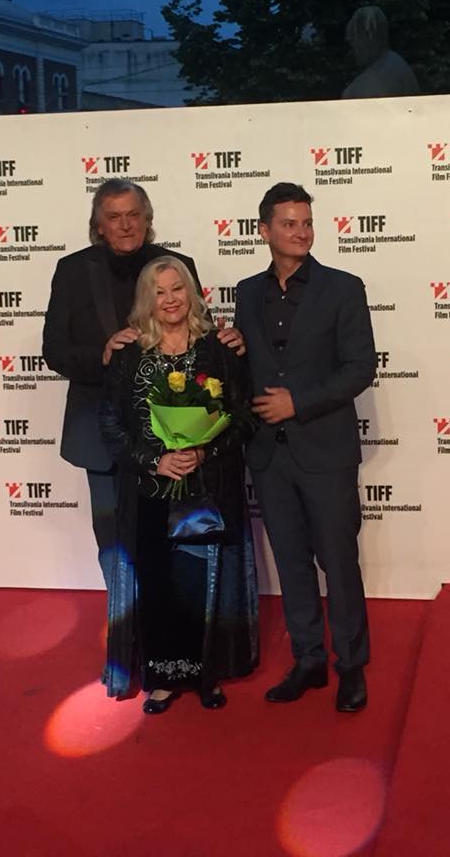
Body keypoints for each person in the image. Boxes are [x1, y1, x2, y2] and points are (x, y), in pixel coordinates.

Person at [42, 179, 242, 589]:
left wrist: (230, 340)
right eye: (114, 217)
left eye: (133, 215)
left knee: (175, 539)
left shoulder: (177, 264)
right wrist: (103, 354)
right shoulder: (73, 270)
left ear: (148, 219)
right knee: (114, 540)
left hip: (174, 438)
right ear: (99, 225)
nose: (125, 224)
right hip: (102, 436)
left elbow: (200, 341)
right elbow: (55, 351)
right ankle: (124, 620)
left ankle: (167, 622)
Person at [234, 182, 377, 712]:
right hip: (269, 456)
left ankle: (351, 666)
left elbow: (360, 367)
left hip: (325, 451)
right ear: (264, 230)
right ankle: (309, 660)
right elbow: (249, 363)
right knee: (292, 563)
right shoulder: (247, 293)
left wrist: (299, 402)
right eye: (289, 223)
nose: (301, 232)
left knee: (338, 564)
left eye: (307, 223)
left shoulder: (343, 288)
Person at [98, 256, 258, 710]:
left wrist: (204, 452)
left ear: (192, 292)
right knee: (158, 582)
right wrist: (155, 461)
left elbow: (243, 418)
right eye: (159, 292)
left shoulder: (219, 349)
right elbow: (110, 424)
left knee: (204, 581)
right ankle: (164, 677)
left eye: (177, 289)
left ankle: (208, 673)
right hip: (149, 489)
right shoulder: (129, 352)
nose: (170, 300)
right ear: (146, 300)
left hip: (208, 484)